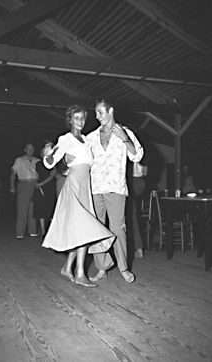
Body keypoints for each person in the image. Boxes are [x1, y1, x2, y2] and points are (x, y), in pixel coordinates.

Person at [41, 104, 115, 288]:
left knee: (80, 230)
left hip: (85, 186)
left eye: (82, 118)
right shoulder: (66, 139)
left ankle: (67, 267)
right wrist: (48, 155)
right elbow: (50, 162)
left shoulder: (85, 140)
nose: (80, 121)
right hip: (74, 185)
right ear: (70, 120)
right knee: (83, 228)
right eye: (76, 118)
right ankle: (80, 273)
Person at [86, 99, 144, 284]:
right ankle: (102, 267)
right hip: (95, 187)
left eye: (100, 112)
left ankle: (123, 267)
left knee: (118, 228)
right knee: (97, 228)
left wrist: (125, 138)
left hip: (115, 187)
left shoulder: (124, 132)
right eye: (96, 113)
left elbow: (137, 155)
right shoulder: (91, 137)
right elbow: (82, 159)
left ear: (111, 110)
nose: (97, 116)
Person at [10, 143, 40, 239]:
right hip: (24, 184)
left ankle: (32, 231)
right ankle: (20, 232)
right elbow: (13, 173)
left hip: (35, 185)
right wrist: (12, 186)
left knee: (33, 209)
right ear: (25, 150)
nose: (30, 151)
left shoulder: (37, 161)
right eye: (28, 149)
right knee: (22, 209)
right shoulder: (19, 160)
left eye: (32, 149)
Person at [127, 162, 148, 258]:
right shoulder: (143, 150)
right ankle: (139, 248)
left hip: (131, 181)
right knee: (132, 214)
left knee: (129, 216)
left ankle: (135, 249)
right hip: (141, 182)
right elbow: (145, 173)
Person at [32, 159, 56, 238]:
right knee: (41, 209)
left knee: (50, 208)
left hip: (50, 186)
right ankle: (43, 231)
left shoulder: (52, 161)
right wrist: (36, 183)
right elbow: (36, 174)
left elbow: (53, 175)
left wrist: (42, 183)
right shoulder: (38, 163)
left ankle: (52, 232)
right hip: (40, 187)